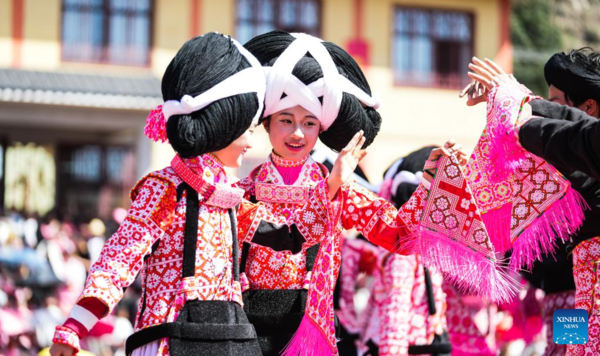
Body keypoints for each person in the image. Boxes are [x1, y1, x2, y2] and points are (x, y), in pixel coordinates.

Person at [48, 33, 362, 356]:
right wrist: (74, 327)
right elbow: (119, 259)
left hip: (227, 344)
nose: (250, 143)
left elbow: (293, 236)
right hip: (169, 342)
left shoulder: (231, 201)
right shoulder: (167, 189)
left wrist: (333, 183)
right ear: (223, 125)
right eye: (247, 129)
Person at [237, 30, 467, 356]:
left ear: (322, 128)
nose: (298, 133)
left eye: (310, 123)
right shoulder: (242, 192)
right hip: (246, 332)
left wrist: (433, 183)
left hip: (311, 331)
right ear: (267, 123)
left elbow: (401, 236)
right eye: (286, 120)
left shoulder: (343, 190)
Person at [463, 51, 600, 356]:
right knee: (561, 350)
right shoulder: (568, 173)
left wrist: (520, 102)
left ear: (588, 107)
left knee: (562, 350)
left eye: (556, 102)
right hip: (569, 299)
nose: (549, 110)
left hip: (572, 299)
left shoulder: (580, 168)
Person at [360, 147, 451, 356]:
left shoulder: (421, 247)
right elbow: (396, 315)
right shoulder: (403, 252)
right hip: (407, 347)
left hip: (421, 345)